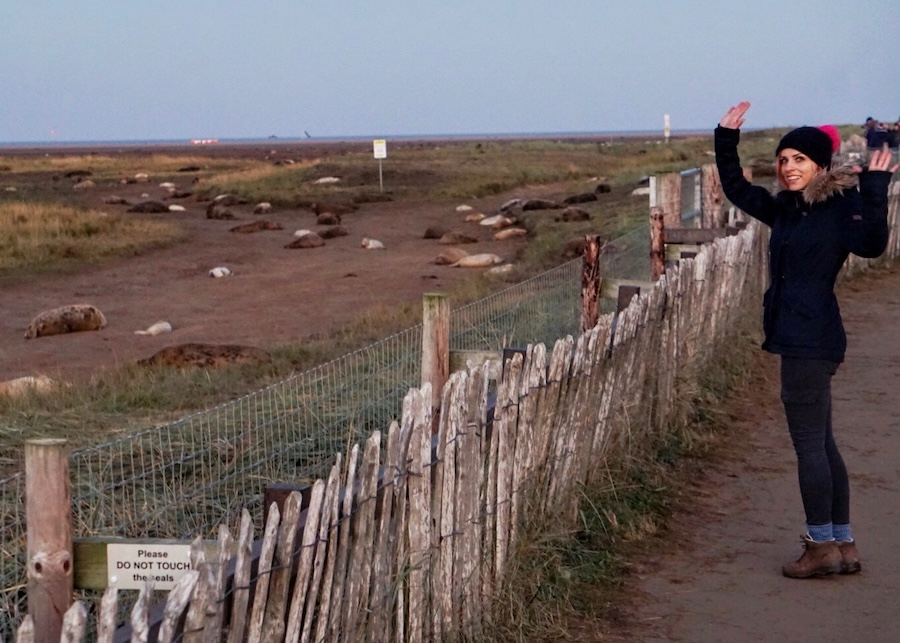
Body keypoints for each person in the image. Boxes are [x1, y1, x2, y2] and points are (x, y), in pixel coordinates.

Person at [715, 101, 898, 579]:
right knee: (824, 442)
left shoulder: (840, 208)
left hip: (810, 340)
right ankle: (842, 543)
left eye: (799, 159)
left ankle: (819, 546)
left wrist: (877, 189)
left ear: (820, 165)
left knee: (809, 446)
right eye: (783, 159)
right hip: (802, 336)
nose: (789, 167)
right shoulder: (787, 209)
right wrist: (725, 138)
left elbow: (873, 245)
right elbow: (737, 188)